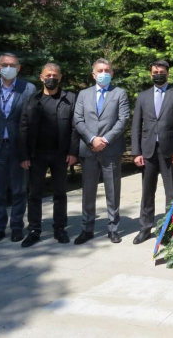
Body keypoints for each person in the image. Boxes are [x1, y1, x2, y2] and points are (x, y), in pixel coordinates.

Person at [18, 63, 80, 247]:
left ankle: (59, 229)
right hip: (36, 155)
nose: (51, 78)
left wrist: (73, 151)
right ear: (41, 77)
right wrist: (24, 155)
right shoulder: (31, 100)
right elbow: (23, 128)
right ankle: (34, 230)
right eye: (48, 75)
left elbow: (76, 127)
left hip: (61, 155)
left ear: (60, 78)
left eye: (54, 75)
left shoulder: (70, 99)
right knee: (34, 194)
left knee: (60, 193)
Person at [0, 53, 36, 244]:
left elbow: (31, 118)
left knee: (19, 190)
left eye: (12, 65)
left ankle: (17, 227)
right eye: (5, 65)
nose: (8, 68)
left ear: (19, 68)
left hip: (18, 147)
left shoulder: (28, 88)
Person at [130, 60, 173, 245]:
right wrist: (136, 152)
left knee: (171, 192)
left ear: (168, 74)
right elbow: (136, 127)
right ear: (150, 74)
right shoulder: (143, 97)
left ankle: (170, 230)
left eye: (161, 72)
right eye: (155, 72)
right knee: (147, 192)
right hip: (147, 152)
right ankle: (145, 228)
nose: (158, 74)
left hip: (170, 152)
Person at [73, 58, 130, 244]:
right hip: (89, 150)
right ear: (93, 74)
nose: (104, 73)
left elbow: (123, 120)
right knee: (88, 191)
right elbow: (78, 120)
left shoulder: (119, 93)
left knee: (112, 190)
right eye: (100, 70)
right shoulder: (83, 94)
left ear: (112, 74)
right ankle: (87, 228)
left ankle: (113, 228)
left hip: (110, 149)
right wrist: (92, 139)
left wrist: (104, 140)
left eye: (107, 70)